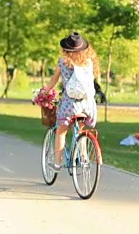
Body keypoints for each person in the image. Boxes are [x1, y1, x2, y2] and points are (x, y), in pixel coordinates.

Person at [42, 32, 99, 171]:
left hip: (70, 105)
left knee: (61, 132)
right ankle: (83, 157)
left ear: (66, 49)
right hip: (87, 104)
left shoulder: (63, 62)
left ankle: (57, 164)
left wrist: (45, 91)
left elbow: (54, 80)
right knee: (80, 129)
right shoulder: (89, 62)